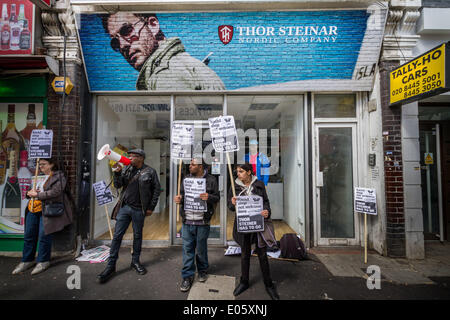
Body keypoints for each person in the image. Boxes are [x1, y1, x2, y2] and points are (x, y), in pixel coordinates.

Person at [100, 12, 225, 91]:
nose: (122, 45)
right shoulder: (179, 64)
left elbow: (180, 127)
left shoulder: (166, 73)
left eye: (126, 30)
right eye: (115, 43)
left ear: (153, 25)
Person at [97, 149, 160, 284]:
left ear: (141, 158)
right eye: (129, 155)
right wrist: (118, 173)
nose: (130, 158)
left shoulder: (150, 171)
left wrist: (150, 207)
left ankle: (135, 261)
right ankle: (111, 265)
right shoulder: (126, 169)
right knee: (117, 236)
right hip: (125, 208)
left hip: (139, 210)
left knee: (137, 236)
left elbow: (156, 190)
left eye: (133, 156)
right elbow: (118, 185)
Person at [12, 158, 73, 275]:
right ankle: (27, 260)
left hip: (48, 210)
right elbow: (29, 191)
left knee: (44, 236)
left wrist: (38, 194)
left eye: (44, 164)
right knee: (29, 234)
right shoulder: (36, 176)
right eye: (39, 164)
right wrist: (29, 193)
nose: (41, 167)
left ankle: (43, 261)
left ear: (52, 164)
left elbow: (55, 193)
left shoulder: (58, 176)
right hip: (32, 208)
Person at [227, 163, 280, 300]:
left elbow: (266, 202)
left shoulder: (259, 184)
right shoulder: (235, 187)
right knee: (245, 254)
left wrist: (267, 211)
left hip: (258, 224)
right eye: (237, 171)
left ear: (249, 172)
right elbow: (230, 207)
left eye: (241, 171)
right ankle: (244, 281)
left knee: (262, 254)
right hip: (244, 225)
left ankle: (269, 284)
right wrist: (232, 204)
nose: (238, 174)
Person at [174, 158, 220, 292]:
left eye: (193, 165)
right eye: (190, 164)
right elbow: (182, 195)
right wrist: (179, 199)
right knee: (187, 250)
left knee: (201, 249)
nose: (190, 166)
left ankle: (202, 270)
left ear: (200, 167)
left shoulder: (211, 180)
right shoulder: (185, 179)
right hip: (187, 221)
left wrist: (209, 197)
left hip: (203, 221)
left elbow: (217, 197)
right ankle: (187, 276)